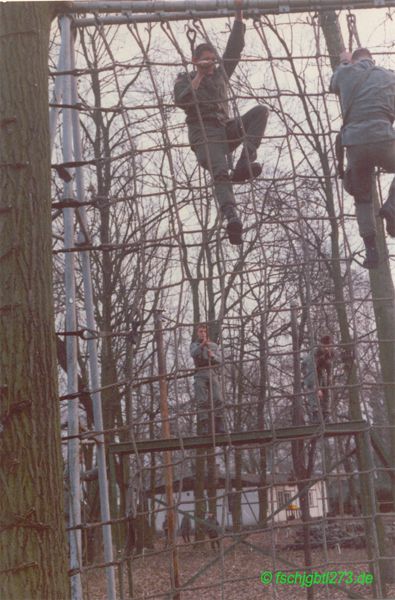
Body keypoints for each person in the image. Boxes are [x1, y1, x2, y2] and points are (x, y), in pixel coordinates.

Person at [174, 0, 268, 245]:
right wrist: (199, 75)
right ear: (196, 61)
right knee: (219, 170)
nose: (211, 63)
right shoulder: (186, 78)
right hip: (204, 134)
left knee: (260, 112)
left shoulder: (220, 75)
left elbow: (234, 50)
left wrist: (238, 16)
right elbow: (182, 101)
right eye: (206, 59)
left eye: (212, 60)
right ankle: (231, 215)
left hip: (225, 129)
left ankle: (244, 162)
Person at [330, 47, 395, 269]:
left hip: (355, 143)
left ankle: (371, 250)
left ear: (355, 59)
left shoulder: (345, 72)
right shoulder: (388, 75)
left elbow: (333, 85)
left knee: (363, 198)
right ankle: (392, 206)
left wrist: (345, 62)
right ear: (371, 59)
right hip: (383, 137)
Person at [190, 323, 225, 434]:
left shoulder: (213, 346)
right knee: (202, 400)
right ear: (197, 333)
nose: (202, 333)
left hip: (212, 372)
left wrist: (213, 356)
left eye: (204, 331)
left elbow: (220, 361)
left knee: (218, 398)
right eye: (200, 331)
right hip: (200, 372)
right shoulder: (194, 345)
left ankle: (219, 423)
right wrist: (202, 346)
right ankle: (204, 424)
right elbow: (193, 353)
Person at [301, 335, 334, 422]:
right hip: (309, 371)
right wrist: (317, 387)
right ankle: (315, 414)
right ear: (321, 345)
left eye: (329, 346)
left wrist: (330, 377)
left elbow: (329, 364)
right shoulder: (313, 354)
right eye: (325, 346)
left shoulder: (329, 352)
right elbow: (311, 371)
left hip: (320, 371)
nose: (327, 348)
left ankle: (326, 414)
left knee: (326, 389)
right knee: (313, 390)